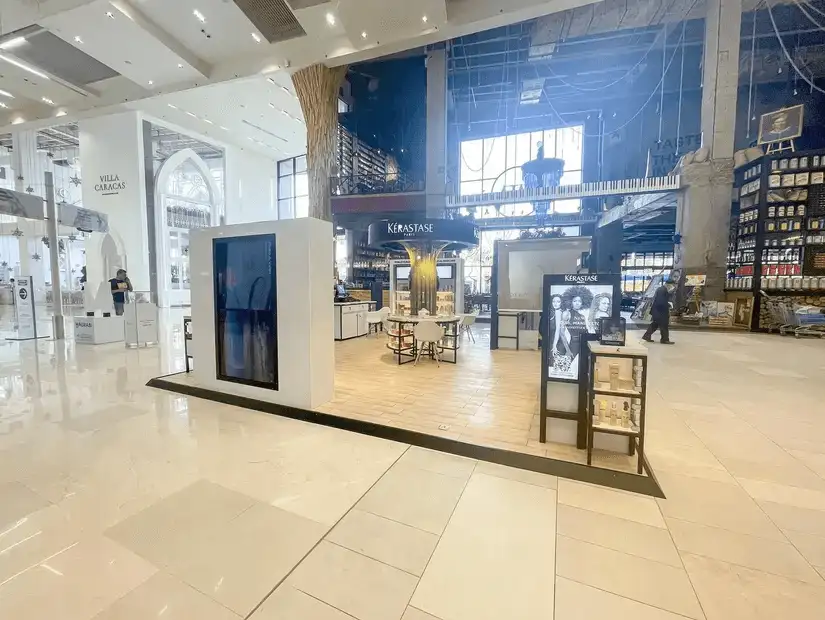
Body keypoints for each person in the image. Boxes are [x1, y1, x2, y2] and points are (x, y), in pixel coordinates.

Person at [642, 278, 675, 344]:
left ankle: (646, 336)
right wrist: (668, 305)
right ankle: (665, 339)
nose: (673, 286)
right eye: (672, 285)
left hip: (657, 311)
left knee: (655, 324)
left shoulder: (662, 289)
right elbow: (661, 301)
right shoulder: (662, 290)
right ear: (669, 284)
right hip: (660, 311)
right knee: (664, 325)